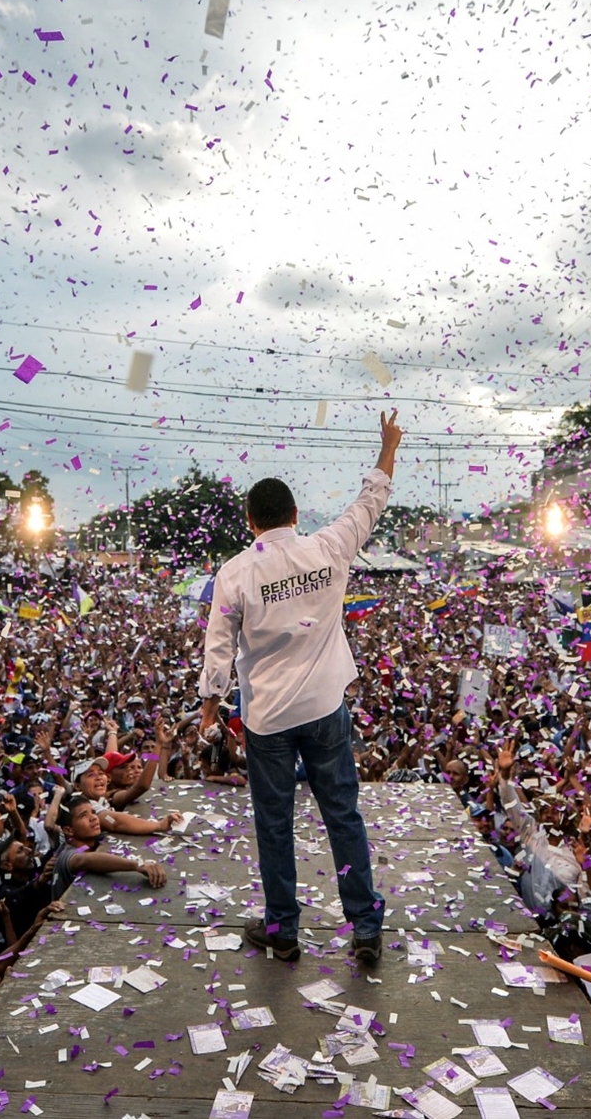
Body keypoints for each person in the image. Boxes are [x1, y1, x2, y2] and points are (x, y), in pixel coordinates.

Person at [198, 410, 402, 968]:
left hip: (267, 719)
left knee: (274, 822)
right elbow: (370, 502)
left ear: (250, 521)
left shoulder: (236, 572)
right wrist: (387, 446)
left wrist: (209, 712)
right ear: (294, 514)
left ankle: (283, 929)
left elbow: (218, 649)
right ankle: (364, 928)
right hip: (324, 707)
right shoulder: (327, 548)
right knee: (343, 814)